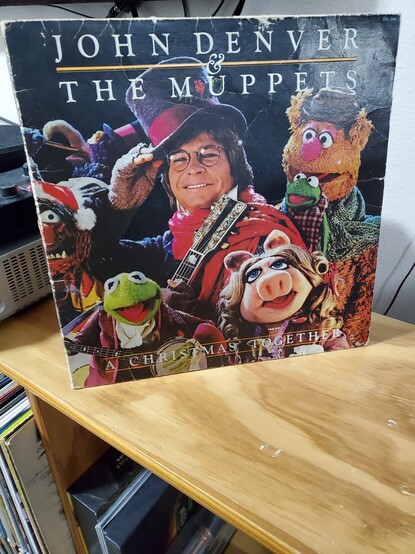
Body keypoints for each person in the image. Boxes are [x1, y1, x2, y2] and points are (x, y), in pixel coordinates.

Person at [91, 57, 306, 321]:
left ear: (234, 162)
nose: (193, 168)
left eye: (208, 154)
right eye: (178, 159)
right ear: (166, 178)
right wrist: (119, 206)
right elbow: (91, 261)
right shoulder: (168, 245)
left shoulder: (268, 235)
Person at [217, 230, 349, 362]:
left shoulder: (322, 332)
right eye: (253, 275)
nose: (270, 280)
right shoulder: (242, 339)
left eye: (279, 264)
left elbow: (341, 363)